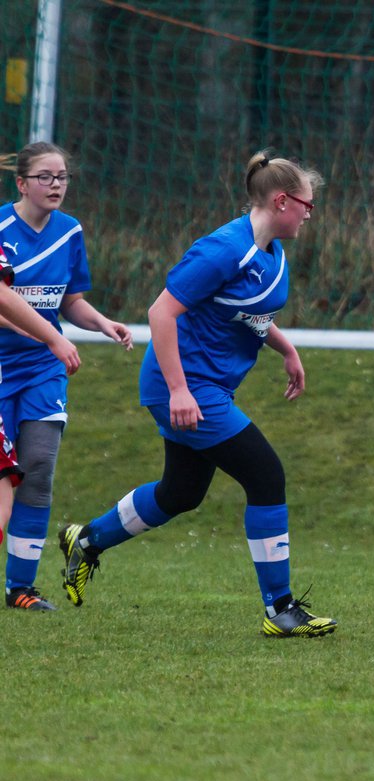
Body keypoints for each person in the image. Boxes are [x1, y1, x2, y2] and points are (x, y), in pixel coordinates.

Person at [58, 150, 336, 637]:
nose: (311, 213)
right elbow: (161, 314)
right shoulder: (222, 250)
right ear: (281, 200)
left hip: (207, 387)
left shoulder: (271, 251)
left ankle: (88, 540)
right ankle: (281, 610)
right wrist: (180, 389)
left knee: (181, 493)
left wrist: (285, 348)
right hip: (185, 388)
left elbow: (243, 313)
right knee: (266, 474)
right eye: (307, 204)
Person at [0, 143, 132, 613]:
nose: (56, 185)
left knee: (37, 472)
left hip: (42, 371)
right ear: (21, 183)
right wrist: (43, 333)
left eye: (63, 177)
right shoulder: (1, 229)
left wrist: (102, 322)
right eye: (45, 177)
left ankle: (21, 588)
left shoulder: (70, 231)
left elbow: (69, 301)